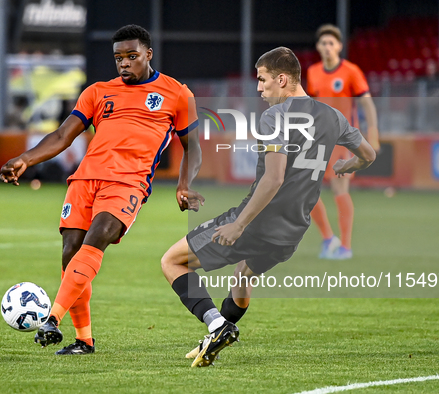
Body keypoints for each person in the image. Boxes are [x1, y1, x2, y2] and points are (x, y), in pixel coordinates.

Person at [161, 46, 376, 367]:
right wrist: (348, 165)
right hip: (294, 230)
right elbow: (369, 154)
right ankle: (217, 333)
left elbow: (273, 179)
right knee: (243, 274)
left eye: (262, 80)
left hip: (259, 221)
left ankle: (218, 325)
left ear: (282, 78)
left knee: (171, 262)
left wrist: (240, 224)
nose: (259, 88)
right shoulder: (333, 116)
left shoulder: (275, 116)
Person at [0, 24, 203, 355]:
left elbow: (192, 146)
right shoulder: (97, 92)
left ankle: (52, 318)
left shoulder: (177, 93)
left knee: (100, 236)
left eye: (132, 56)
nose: (124, 63)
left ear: (148, 54)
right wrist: (26, 159)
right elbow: (63, 135)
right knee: (70, 253)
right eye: (119, 58)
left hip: (129, 182)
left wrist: (184, 185)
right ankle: (84, 340)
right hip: (85, 180)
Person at [306, 24, 380, 259]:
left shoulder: (351, 71)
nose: (327, 47)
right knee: (306, 191)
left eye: (331, 43)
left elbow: (367, 103)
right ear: (318, 47)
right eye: (323, 43)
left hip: (344, 140)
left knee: (339, 187)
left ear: (339, 46)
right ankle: (329, 238)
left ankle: (345, 247)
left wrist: (373, 134)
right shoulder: (313, 72)